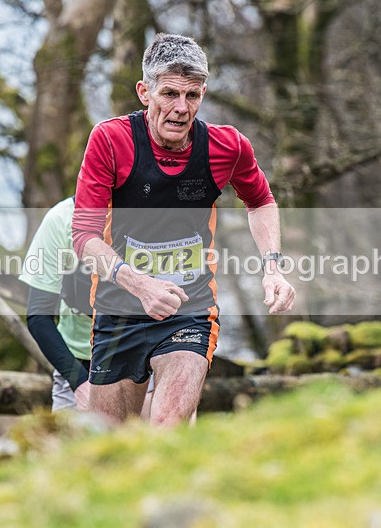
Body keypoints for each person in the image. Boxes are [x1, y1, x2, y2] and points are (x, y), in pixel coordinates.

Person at [73, 33, 295, 427]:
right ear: (145, 92)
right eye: (170, 94)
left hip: (189, 311)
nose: (180, 108)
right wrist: (140, 284)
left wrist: (273, 268)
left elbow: (260, 201)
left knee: (167, 427)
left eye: (192, 96)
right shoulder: (110, 140)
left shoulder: (227, 146)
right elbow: (84, 238)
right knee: (111, 442)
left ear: (203, 94)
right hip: (119, 308)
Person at [21, 196, 94, 412]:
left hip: (141, 359)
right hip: (77, 360)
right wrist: (79, 383)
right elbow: (38, 317)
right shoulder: (61, 218)